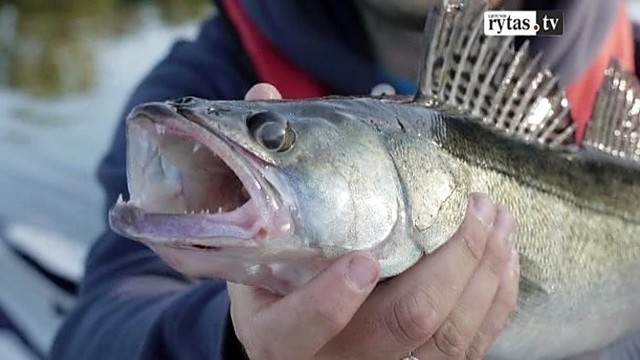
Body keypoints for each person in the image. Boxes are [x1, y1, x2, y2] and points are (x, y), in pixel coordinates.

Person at [50, 0, 639, 359]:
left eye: (274, 137)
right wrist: (234, 344)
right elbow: (102, 326)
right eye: (276, 134)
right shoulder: (215, 70)